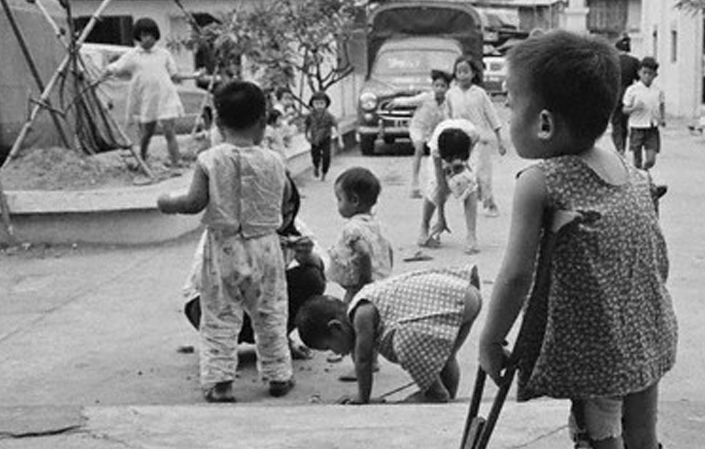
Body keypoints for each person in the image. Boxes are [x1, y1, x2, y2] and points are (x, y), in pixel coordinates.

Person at [478, 31, 678, 449]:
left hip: (599, 348)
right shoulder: (631, 173)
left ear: (542, 123)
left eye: (510, 103)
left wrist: (492, 339)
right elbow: (657, 256)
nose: (506, 113)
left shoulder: (541, 182)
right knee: (642, 435)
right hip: (647, 329)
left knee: (602, 446)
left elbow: (515, 276)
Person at [157, 80, 295, 402]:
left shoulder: (209, 160)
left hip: (223, 248)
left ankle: (220, 383)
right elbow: (286, 197)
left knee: (219, 314)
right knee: (272, 313)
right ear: (263, 123)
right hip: (265, 247)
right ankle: (278, 376)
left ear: (217, 123)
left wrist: (167, 203)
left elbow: (193, 202)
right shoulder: (275, 161)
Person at [182, 172, 326, 362]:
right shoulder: (226, 228)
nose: (284, 220)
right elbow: (207, 281)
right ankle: (221, 350)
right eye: (276, 213)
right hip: (216, 307)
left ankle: (278, 340)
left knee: (312, 277)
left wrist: (306, 256)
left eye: (289, 212)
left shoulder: (294, 228)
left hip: (262, 310)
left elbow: (325, 267)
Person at [296, 265, 482, 404]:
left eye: (329, 346)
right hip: (466, 295)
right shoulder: (364, 300)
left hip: (453, 299)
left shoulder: (360, 315)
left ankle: (436, 393)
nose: (335, 353)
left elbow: (363, 359)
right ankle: (445, 397)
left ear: (336, 327)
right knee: (445, 358)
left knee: (403, 342)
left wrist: (363, 397)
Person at [102, 17, 197, 169]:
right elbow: (115, 67)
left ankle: (175, 162)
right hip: (148, 99)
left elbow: (174, 75)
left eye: (151, 35)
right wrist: (101, 75)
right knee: (147, 133)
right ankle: (143, 159)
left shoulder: (164, 54)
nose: (148, 39)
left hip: (166, 97)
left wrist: (194, 76)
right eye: (144, 35)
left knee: (169, 130)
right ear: (139, 37)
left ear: (155, 36)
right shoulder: (133, 55)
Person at [448, 55, 506, 216]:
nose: (462, 75)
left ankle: (490, 204)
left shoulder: (480, 93)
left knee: (483, 174)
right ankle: (471, 203)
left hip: (480, 140)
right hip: (460, 140)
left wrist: (500, 140)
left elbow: (492, 115)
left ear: (473, 74)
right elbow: (447, 118)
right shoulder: (451, 94)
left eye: (466, 71)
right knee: (465, 174)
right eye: (459, 72)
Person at [327, 167, 394, 304]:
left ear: (354, 200)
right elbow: (389, 249)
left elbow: (363, 252)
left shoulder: (352, 229)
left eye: (340, 199)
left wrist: (364, 283)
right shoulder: (375, 225)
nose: (337, 204)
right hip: (382, 283)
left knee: (349, 311)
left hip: (359, 287)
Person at [418, 119, 481, 254]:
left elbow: (475, 142)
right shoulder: (437, 149)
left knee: (470, 185)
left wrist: (463, 165)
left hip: (466, 150)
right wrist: (441, 218)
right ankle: (424, 227)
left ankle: (471, 235)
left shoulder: (472, 133)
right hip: (444, 151)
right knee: (434, 186)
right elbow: (441, 185)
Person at [394, 69, 454, 199]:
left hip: (434, 132)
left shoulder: (447, 103)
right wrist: (395, 102)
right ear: (433, 87)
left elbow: (450, 118)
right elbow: (409, 101)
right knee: (419, 149)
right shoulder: (426, 98)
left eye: (443, 86)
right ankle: (414, 183)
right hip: (418, 128)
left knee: (439, 156)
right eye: (437, 86)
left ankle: (442, 183)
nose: (439, 89)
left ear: (448, 88)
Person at [622, 56, 666, 170]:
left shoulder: (658, 90)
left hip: (652, 128)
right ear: (639, 73)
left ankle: (644, 171)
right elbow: (624, 110)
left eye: (650, 73)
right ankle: (640, 178)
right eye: (644, 73)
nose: (647, 76)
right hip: (637, 127)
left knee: (651, 160)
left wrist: (662, 118)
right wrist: (634, 108)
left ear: (655, 75)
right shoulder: (632, 90)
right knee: (637, 160)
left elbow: (661, 104)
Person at [610, 35, 641, 155]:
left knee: (616, 121)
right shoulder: (634, 61)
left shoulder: (613, 61)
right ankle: (625, 143)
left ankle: (619, 146)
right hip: (629, 92)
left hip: (616, 92)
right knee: (625, 121)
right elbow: (638, 79)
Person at [304, 92, 338, 180]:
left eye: (322, 103)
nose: (319, 106)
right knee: (315, 156)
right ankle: (316, 166)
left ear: (326, 104)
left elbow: (336, 126)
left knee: (327, 156)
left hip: (326, 137)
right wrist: (307, 135)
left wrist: (340, 140)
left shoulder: (329, 116)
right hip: (315, 138)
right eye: (316, 103)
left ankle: (324, 173)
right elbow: (307, 126)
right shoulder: (310, 116)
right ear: (312, 104)